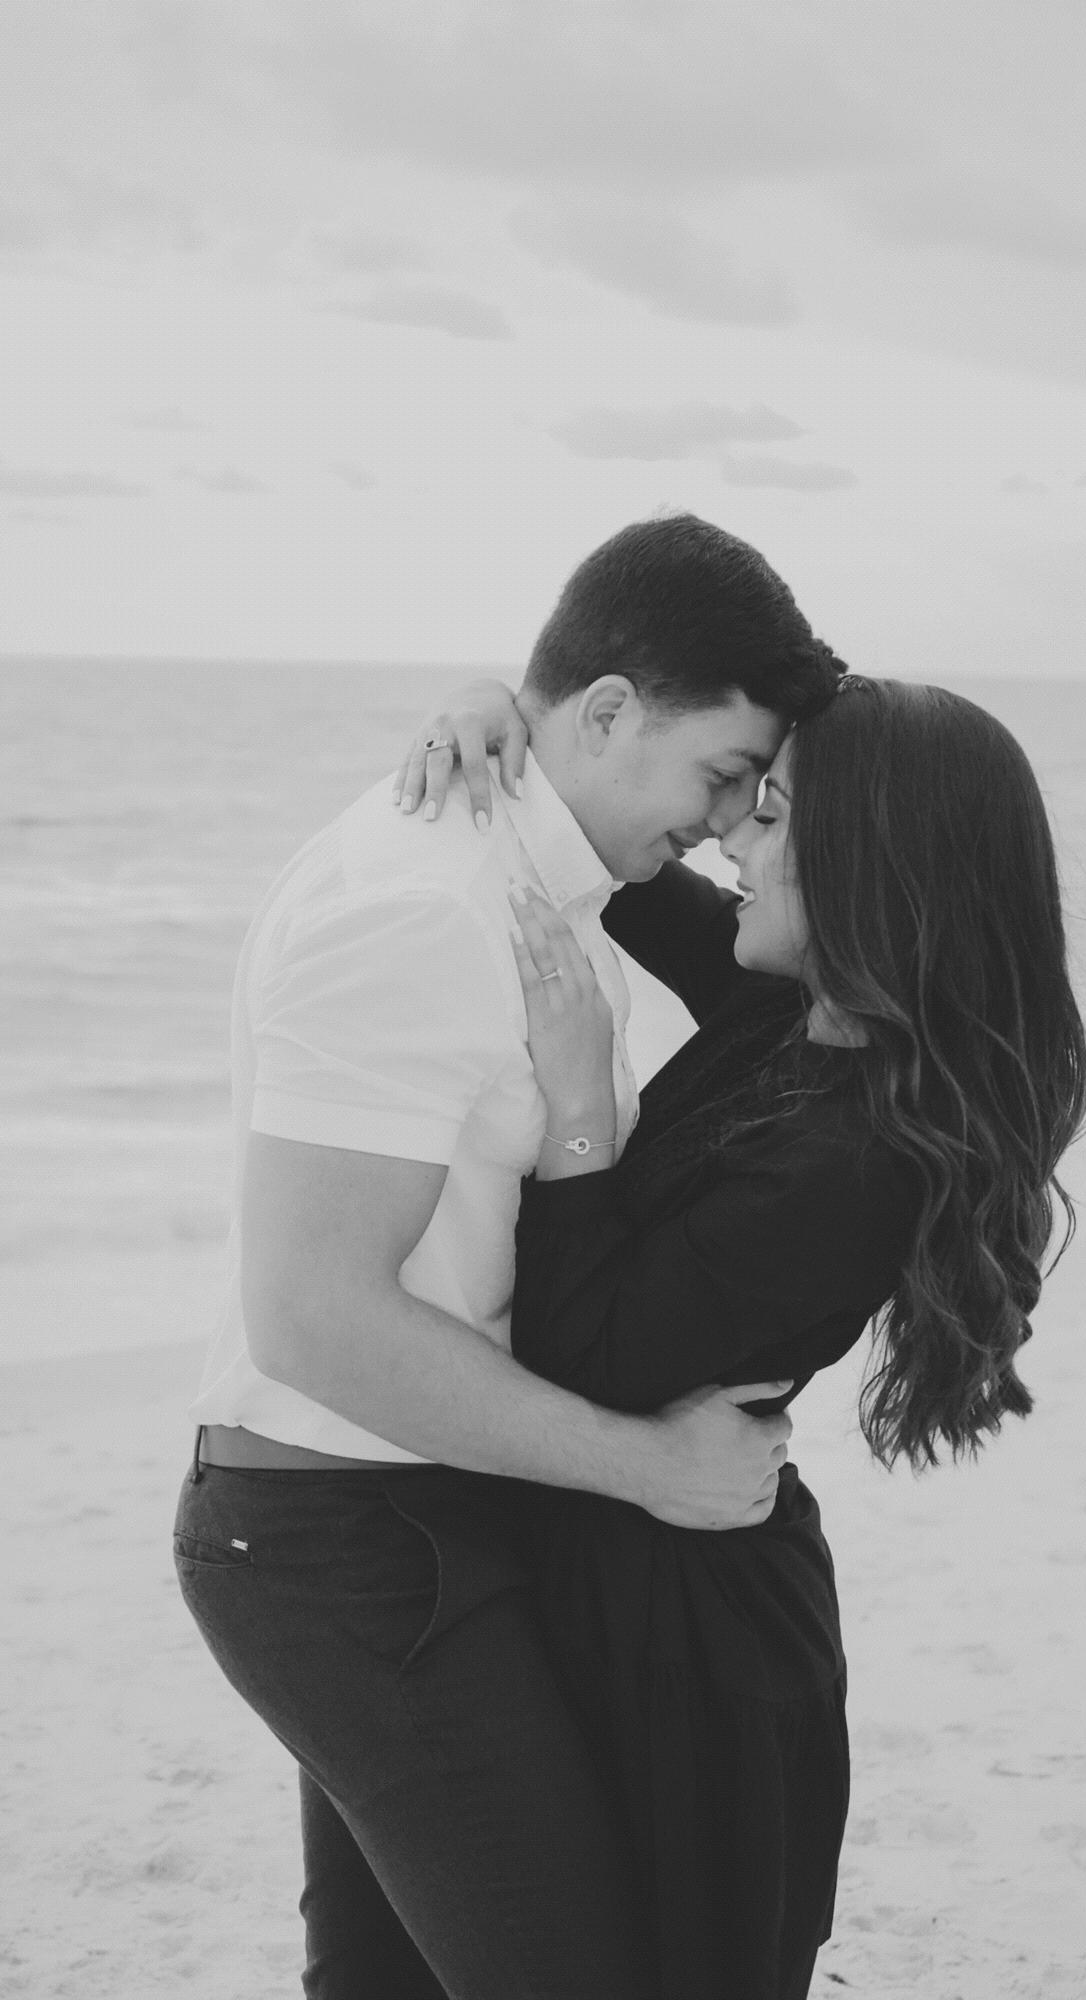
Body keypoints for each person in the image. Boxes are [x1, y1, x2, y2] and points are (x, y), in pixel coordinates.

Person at [173, 514, 843, 1999]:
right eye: (721, 775)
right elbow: (312, 1317)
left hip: (428, 1510)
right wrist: (645, 1466)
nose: (727, 824)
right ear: (606, 712)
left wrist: (495, 699)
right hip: (338, 1536)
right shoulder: (426, 901)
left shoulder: (537, 872)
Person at [392, 670, 1086, 1999]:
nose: (728, 839)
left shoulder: (865, 1153)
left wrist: (579, 1108)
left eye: (769, 817)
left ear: (870, 868)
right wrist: (500, 710)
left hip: (687, 1644)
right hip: (624, 1567)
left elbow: (582, 1352)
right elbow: (606, 831)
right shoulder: (794, 1006)